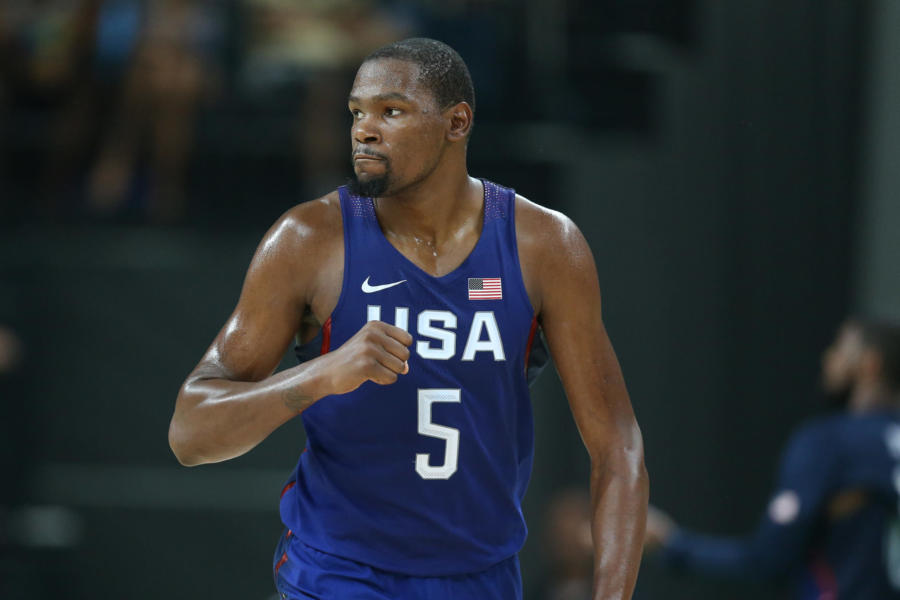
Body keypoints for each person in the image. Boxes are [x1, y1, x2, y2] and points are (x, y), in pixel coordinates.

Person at [168, 38, 647, 600]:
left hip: (481, 577)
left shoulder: (545, 245)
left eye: (390, 111)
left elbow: (617, 447)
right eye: (356, 112)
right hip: (338, 574)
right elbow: (190, 434)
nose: (364, 131)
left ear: (457, 122)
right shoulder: (308, 239)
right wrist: (319, 375)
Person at [644, 318, 900, 599]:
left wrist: (672, 544)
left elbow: (767, 559)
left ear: (870, 364)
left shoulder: (829, 442)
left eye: (840, 348)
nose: (828, 358)